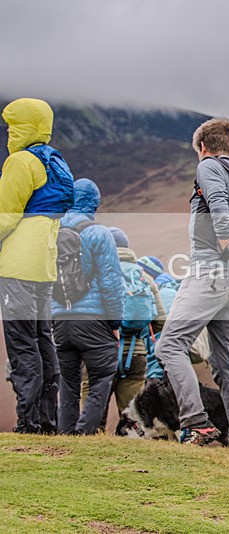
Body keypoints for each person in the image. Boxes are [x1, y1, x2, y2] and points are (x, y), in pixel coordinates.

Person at [154, 117, 229, 451]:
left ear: (203, 147)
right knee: (226, 364)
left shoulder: (209, 167)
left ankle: (197, 425)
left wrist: (227, 241)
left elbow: (218, 204)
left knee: (168, 346)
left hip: (210, 272)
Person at [0, 98, 74, 434]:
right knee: (44, 341)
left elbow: (5, 215)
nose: (8, 133)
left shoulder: (20, 162)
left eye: (11, 127)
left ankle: (27, 422)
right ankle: (46, 420)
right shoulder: (56, 161)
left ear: (23, 128)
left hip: (17, 265)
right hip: (44, 266)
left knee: (21, 344)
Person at [52, 178, 124, 435]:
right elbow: (111, 284)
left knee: (68, 384)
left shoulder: (52, 231)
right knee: (102, 377)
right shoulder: (99, 234)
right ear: (94, 203)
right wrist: (115, 324)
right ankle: (84, 434)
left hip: (60, 320)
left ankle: (66, 436)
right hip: (94, 321)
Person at [80, 227, 166, 426]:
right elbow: (160, 321)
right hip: (135, 355)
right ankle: (134, 454)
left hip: (99, 352)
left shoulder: (94, 274)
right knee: (133, 419)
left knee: (91, 416)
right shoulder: (145, 278)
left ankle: (90, 449)